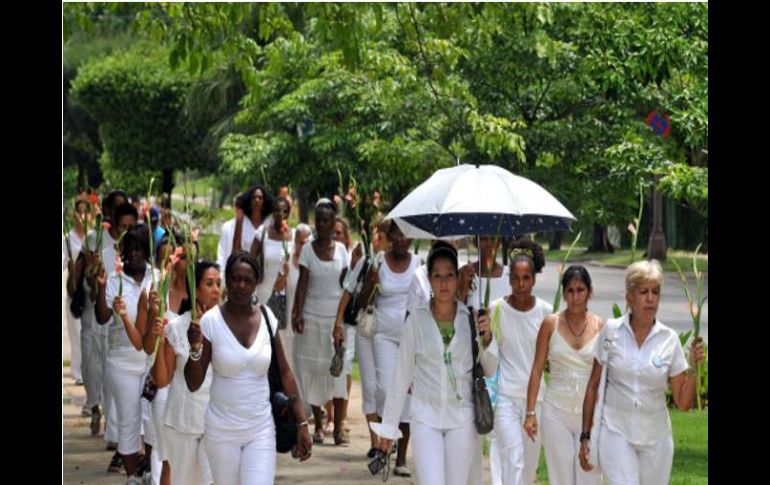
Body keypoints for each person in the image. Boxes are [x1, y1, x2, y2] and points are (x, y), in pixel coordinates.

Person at [372, 243, 498, 485]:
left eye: (449, 275)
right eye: (437, 276)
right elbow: (400, 377)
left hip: (462, 418)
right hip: (424, 418)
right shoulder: (416, 322)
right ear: (428, 280)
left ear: (458, 277)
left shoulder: (470, 319)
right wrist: (388, 428)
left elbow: (490, 369)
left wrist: (488, 338)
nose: (443, 283)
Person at [185, 251, 312, 484]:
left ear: (256, 283)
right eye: (235, 278)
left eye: (247, 280)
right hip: (221, 432)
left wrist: (302, 423)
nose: (241, 285)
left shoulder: (267, 318)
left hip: (260, 430)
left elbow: (285, 372)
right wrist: (195, 348)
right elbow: (193, 383)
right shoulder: (211, 322)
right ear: (227, 280)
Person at [578, 260, 705, 485]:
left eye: (655, 292)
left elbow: (683, 403)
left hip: (656, 438)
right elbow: (593, 385)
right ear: (629, 298)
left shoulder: (669, 339)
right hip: (616, 430)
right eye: (643, 292)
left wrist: (695, 368)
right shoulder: (611, 331)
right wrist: (586, 435)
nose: (650, 299)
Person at [350, 220, 421, 476]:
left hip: (410, 337)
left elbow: (425, 299)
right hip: (383, 335)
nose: (401, 240)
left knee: (407, 394)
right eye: (396, 235)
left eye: (405, 236)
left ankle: (400, 458)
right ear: (389, 237)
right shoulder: (378, 262)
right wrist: (372, 283)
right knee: (384, 388)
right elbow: (361, 300)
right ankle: (383, 439)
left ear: (411, 239)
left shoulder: (418, 264)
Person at [524, 265, 603, 485]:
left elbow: (605, 377)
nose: (575, 297)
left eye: (580, 290)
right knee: (561, 479)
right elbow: (537, 369)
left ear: (590, 291)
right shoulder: (551, 324)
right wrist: (530, 412)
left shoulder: (601, 327)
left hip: (590, 416)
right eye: (570, 291)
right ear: (563, 292)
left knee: (590, 477)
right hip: (555, 413)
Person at [95, 224, 156, 484]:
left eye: (139, 249)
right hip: (122, 361)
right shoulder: (114, 279)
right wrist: (100, 288)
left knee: (152, 420)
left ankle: (152, 472)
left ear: (147, 251)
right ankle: (132, 476)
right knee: (129, 419)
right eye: (129, 250)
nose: (134, 255)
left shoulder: (158, 276)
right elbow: (101, 317)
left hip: (153, 362)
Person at [151, 260, 221, 485]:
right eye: (209, 284)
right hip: (183, 422)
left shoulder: (227, 326)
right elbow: (162, 380)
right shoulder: (176, 327)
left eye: (218, 284)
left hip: (216, 422)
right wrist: (160, 343)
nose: (216, 290)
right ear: (195, 289)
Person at [488, 238, 552, 485]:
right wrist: (484, 336)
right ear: (509, 279)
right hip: (505, 397)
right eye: (516, 278)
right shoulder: (496, 309)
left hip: (537, 400)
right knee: (513, 458)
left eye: (526, 278)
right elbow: (488, 357)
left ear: (534, 279)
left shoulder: (546, 312)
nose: (521, 284)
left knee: (528, 467)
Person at [292, 199, 350, 445]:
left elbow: (347, 286)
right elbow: (302, 284)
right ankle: (319, 424)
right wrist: (297, 313)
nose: (323, 225)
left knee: (337, 371)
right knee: (314, 372)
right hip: (312, 317)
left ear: (334, 222)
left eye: (327, 220)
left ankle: (337, 428)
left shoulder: (341, 251)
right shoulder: (307, 250)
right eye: (319, 220)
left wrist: (341, 320)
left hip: (335, 319)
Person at [217, 185, 274, 272]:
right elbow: (234, 251)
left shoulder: (270, 223)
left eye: (260, 198)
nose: (257, 200)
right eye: (254, 197)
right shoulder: (241, 223)